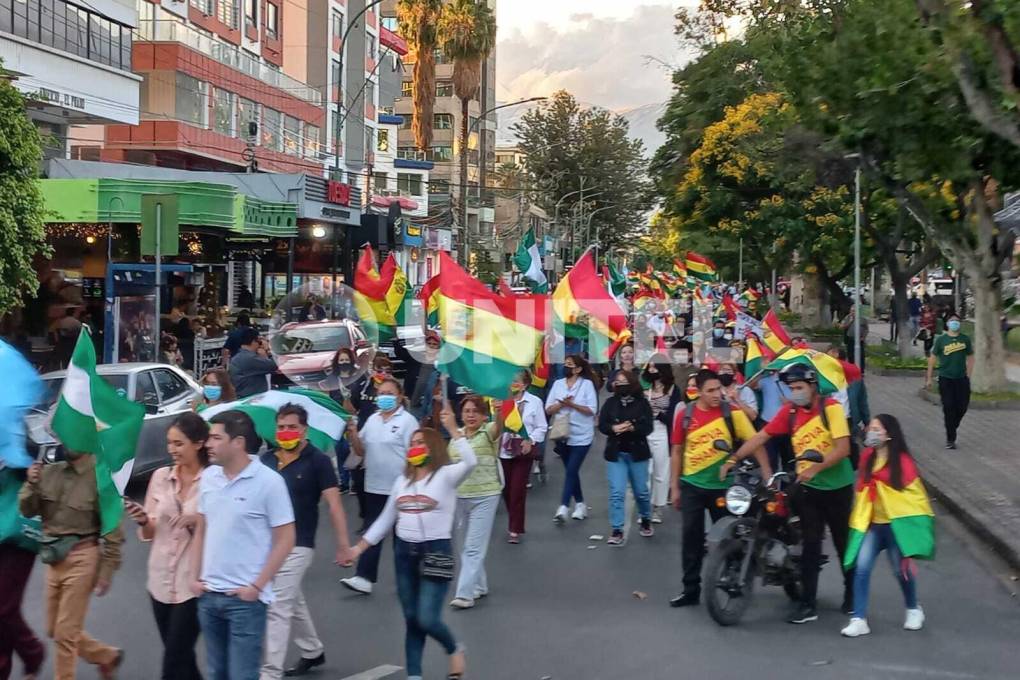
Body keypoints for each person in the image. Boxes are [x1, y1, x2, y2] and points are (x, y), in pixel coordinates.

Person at [345, 408, 473, 680]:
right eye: (412, 444)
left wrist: (453, 429)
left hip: (436, 552)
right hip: (405, 553)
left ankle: (453, 648)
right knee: (412, 619)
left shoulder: (446, 476)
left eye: (421, 443)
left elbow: (471, 462)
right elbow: (384, 520)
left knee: (427, 617)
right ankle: (414, 674)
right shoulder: (402, 482)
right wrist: (358, 549)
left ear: (433, 447)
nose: (414, 447)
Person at [727, 364, 855, 624]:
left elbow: (843, 449)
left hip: (837, 489)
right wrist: (734, 457)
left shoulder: (831, 409)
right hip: (809, 488)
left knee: (844, 544)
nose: (794, 393)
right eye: (791, 388)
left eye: (799, 388)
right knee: (809, 543)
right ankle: (807, 604)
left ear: (812, 387)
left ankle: (853, 595)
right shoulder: (790, 412)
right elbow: (761, 436)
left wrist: (817, 467)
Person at [190, 410, 296, 680]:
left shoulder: (269, 483)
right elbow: (201, 528)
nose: (208, 444)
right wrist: (195, 577)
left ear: (237, 442)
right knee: (216, 673)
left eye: (215, 437)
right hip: (209, 596)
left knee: (243, 675)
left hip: (245, 601)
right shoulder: (209, 478)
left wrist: (257, 586)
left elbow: (286, 538)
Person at [259, 405, 352, 679]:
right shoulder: (266, 460)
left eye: (292, 427)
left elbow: (334, 504)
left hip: (299, 543)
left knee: (278, 605)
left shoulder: (318, 461)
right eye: (281, 427)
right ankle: (312, 650)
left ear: (304, 430)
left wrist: (344, 545)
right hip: (269, 543)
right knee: (292, 600)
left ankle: (269, 672)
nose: (286, 432)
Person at [18, 452, 124, 680]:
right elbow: (27, 510)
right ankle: (106, 656)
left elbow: (113, 527)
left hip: (83, 557)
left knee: (65, 634)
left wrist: (107, 569)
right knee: (53, 629)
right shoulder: (50, 471)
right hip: (53, 559)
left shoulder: (100, 476)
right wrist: (31, 482)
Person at [668, 369, 766, 607]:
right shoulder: (686, 415)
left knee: (729, 536)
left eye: (718, 389)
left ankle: (733, 580)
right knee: (691, 539)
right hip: (692, 485)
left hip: (724, 487)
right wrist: (675, 487)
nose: (716, 394)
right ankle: (690, 590)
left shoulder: (732, 413)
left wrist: (767, 474)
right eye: (710, 390)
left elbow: (756, 443)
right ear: (698, 392)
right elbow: (677, 451)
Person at [124, 413, 209, 680]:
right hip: (160, 581)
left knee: (173, 660)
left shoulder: (213, 481)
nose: (172, 450)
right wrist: (141, 520)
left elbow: (220, 530)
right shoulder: (161, 476)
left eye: (179, 443)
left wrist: (194, 521)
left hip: (192, 584)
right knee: (182, 657)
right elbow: (151, 529)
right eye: (169, 443)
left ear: (198, 443)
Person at [840, 414, 932, 638]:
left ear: (889, 434)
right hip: (872, 524)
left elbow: (914, 496)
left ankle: (913, 608)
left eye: (877, 429)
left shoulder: (903, 462)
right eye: (870, 428)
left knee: (899, 571)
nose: (871, 433)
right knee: (861, 569)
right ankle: (859, 618)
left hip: (894, 526)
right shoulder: (867, 457)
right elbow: (862, 488)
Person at [341, 378, 419, 595]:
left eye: (389, 393)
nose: (384, 397)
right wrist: (353, 433)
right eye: (381, 393)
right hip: (374, 486)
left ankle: (408, 579)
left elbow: (415, 454)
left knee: (402, 537)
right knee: (372, 531)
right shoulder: (373, 419)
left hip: (401, 486)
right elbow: (360, 451)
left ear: (400, 396)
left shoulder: (408, 421)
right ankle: (364, 577)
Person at [449, 396, 503, 609]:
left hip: (486, 495)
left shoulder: (488, 431)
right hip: (460, 497)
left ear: (483, 415)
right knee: (464, 546)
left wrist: (499, 412)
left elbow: (499, 427)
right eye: (466, 411)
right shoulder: (456, 436)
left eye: (475, 411)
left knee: (473, 547)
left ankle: (465, 594)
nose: (470, 415)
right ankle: (479, 585)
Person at [599, 370, 655, 545]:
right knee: (617, 492)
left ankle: (645, 518)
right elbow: (602, 425)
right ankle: (617, 529)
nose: (621, 385)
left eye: (624, 382)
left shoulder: (642, 403)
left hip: (637, 453)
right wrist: (614, 429)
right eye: (618, 382)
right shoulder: (610, 403)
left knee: (641, 492)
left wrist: (632, 428)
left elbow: (648, 427)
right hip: (616, 454)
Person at [0, 467, 45, 680]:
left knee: (4, 607)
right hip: (3, 527)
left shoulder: (22, 442)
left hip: (19, 533)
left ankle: (33, 652)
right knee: (5, 609)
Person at [545, 354, 599, 523]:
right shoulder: (557, 385)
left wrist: (573, 405)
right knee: (571, 470)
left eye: (570, 365)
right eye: (565, 364)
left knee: (571, 469)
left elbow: (592, 409)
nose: (566, 367)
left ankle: (563, 506)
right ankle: (581, 504)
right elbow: (548, 409)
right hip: (562, 434)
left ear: (578, 369)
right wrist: (561, 404)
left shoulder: (587, 385)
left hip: (582, 435)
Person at [499, 370, 547, 544]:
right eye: (511, 380)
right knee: (506, 489)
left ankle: (515, 528)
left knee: (518, 489)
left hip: (523, 451)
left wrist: (531, 440)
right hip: (504, 451)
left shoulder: (535, 402)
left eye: (517, 381)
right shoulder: (502, 400)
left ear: (525, 384)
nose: (513, 384)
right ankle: (514, 517)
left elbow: (542, 427)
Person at [925, 313, 973, 449]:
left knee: (962, 406)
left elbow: (970, 357)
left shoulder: (965, 340)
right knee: (949, 407)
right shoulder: (941, 340)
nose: (954, 323)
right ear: (947, 324)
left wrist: (969, 374)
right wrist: (929, 378)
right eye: (952, 321)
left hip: (961, 379)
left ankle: (953, 425)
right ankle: (950, 438)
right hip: (946, 379)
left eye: (957, 321)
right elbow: (932, 359)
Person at [643, 354, 680, 523]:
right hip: (645, 430)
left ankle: (658, 507)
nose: (652, 370)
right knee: (645, 470)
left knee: (661, 471)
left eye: (655, 367)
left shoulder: (673, 389)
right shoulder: (646, 387)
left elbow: (676, 416)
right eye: (649, 367)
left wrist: (658, 414)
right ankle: (645, 508)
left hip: (663, 431)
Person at [228, 328, 277, 398]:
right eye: (259, 341)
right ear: (254, 341)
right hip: (250, 397)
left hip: (247, 395)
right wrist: (268, 349)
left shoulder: (241, 356)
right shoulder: (248, 358)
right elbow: (274, 364)